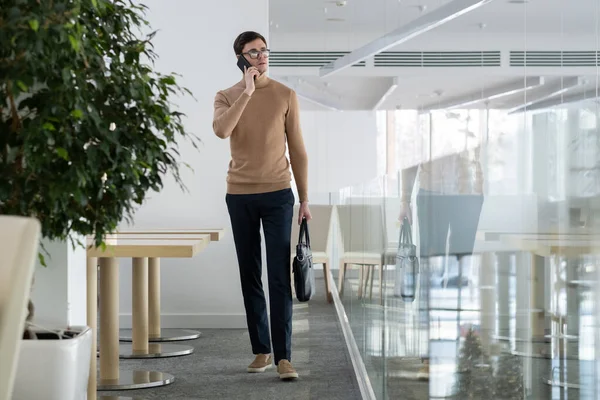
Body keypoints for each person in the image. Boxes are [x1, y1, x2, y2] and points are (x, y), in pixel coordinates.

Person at [212, 31, 311, 381]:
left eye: (264, 50)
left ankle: (285, 357)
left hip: (278, 194)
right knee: (250, 273)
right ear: (241, 59)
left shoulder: (285, 94)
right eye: (253, 52)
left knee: (278, 275)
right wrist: (247, 92)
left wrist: (305, 198)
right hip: (239, 195)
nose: (261, 56)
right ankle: (262, 350)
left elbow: (298, 150)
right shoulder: (226, 96)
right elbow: (222, 131)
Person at [399, 147, 484, 381]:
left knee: (460, 274)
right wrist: (404, 199)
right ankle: (429, 355)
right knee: (430, 274)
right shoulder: (426, 111)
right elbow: (409, 155)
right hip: (432, 192)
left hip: (468, 193)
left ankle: (458, 350)